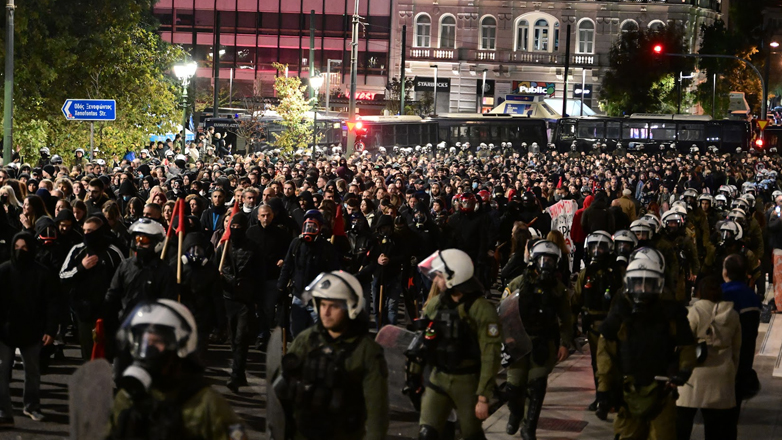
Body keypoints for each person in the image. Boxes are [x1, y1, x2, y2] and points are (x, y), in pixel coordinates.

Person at [273, 271, 389, 440]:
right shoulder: (306, 339)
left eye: (333, 306)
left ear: (351, 307)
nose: (325, 312)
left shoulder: (366, 351)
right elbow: (283, 388)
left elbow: (377, 410)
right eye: (322, 305)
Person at [107, 299, 247, 440]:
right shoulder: (128, 398)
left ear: (180, 347)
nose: (147, 350)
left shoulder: (206, 405)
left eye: (157, 342)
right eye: (142, 342)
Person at [596, 254, 697, 440]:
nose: (642, 289)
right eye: (637, 284)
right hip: (627, 394)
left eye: (647, 284)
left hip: (662, 392)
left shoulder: (670, 312)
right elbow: (605, 352)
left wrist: (683, 371)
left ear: (657, 285)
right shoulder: (620, 312)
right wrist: (604, 389)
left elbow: (687, 345)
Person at [415, 249, 502, 440]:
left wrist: (483, 396)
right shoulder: (436, 305)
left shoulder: (482, 310)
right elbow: (421, 341)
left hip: (467, 383)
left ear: (453, 277)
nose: (435, 281)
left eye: (438, 277)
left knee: (471, 435)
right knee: (426, 434)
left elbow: (491, 354)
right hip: (438, 378)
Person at [503, 240, 573, 439]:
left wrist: (564, 343)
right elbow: (503, 312)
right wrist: (506, 339)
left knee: (537, 385)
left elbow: (566, 319)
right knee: (514, 387)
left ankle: (529, 428)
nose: (546, 264)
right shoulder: (517, 284)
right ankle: (515, 414)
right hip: (518, 342)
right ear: (533, 261)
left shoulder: (558, 290)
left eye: (551, 261)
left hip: (543, 342)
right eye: (543, 260)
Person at [0, 232, 58, 424]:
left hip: (32, 331)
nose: (20, 252)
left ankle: (32, 406)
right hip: (6, 331)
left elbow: (51, 303)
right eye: (17, 248)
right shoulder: (4, 271)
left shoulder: (42, 273)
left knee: (32, 371)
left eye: (24, 248)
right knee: (2, 371)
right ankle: (4, 411)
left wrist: (50, 330)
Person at [676, 275, 741, 440]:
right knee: (717, 430)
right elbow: (737, 349)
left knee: (682, 425)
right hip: (721, 377)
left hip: (693, 377)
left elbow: (682, 343)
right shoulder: (732, 314)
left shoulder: (694, 312)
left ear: (699, 292)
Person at [59, 216, 125, 360]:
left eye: (91, 231)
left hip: (108, 312)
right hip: (84, 312)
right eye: (85, 231)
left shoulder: (113, 251)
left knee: (107, 353)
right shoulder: (77, 250)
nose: (87, 234)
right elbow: (63, 276)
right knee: (89, 355)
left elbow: (123, 278)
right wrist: (81, 267)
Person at [572, 231, 623, 416]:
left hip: (613, 324)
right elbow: (576, 300)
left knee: (613, 363)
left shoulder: (617, 273)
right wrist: (572, 327)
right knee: (597, 364)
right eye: (594, 247)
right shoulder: (586, 274)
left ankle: (611, 398)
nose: (597, 251)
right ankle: (601, 396)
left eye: (601, 247)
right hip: (593, 325)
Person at [214, 213, 262, 393]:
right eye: (232, 227)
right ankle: (239, 373)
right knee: (233, 339)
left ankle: (235, 375)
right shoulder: (223, 247)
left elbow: (259, 276)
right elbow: (215, 268)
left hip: (245, 299)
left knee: (242, 337)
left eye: (238, 227)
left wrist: (258, 300)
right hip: (227, 298)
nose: (235, 231)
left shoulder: (253, 249)